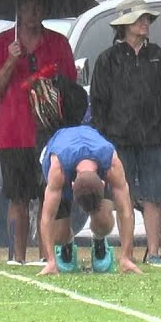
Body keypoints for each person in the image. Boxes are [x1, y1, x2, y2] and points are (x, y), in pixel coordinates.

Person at [0, 0, 77, 265]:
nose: (33, 13)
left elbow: (72, 89)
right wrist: (12, 60)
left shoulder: (58, 43)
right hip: (14, 134)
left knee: (49, 197)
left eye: (39, 6)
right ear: (18, 10)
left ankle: (48, 257)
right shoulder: (1, 43)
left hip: (50, 134)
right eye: (27, 6)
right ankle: (17, 257)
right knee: (18, 199)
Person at [89, 0, 161, 263]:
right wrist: (102, 142)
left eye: (147, 19)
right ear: (124, 24)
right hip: (118, 141)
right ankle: (127, 252)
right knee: (122, 197)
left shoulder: (159, 57)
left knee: (154, 196)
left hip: (154, 139)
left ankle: (154, 253)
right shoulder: (107, 61)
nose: (145, 23)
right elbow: (98, 104)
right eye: (140, 18)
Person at [37, 84, 142, 276]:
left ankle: (100, 241)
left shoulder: (111, 162)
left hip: (89, 158)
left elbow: (126, 211)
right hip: (63, 153)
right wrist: (50, 261)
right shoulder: (57, 168)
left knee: (104, 221)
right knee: (59, 234)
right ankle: (67, 245)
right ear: (71, 185)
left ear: (103, 183)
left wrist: (126, 256)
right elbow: (45, 218)